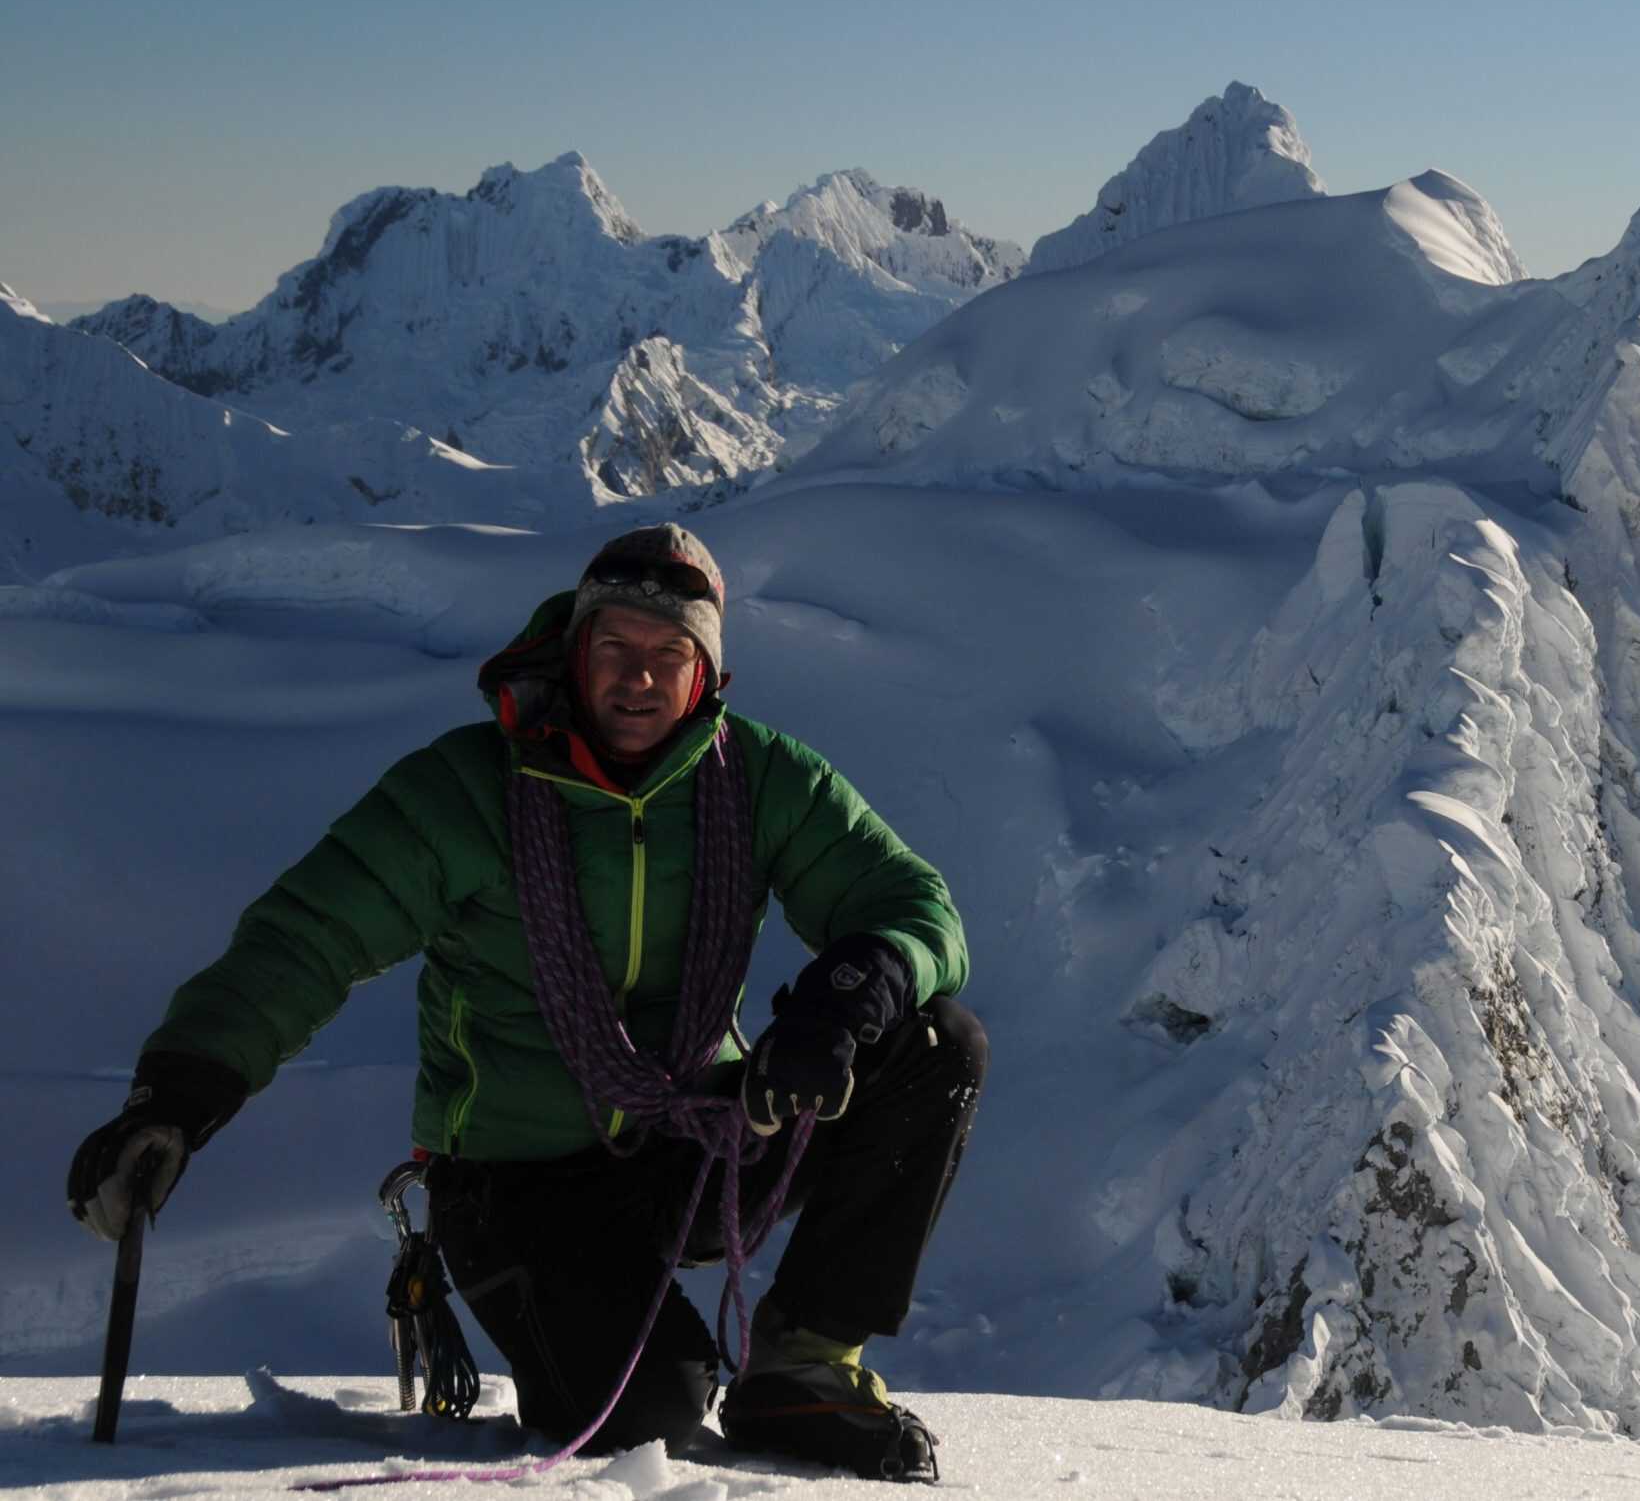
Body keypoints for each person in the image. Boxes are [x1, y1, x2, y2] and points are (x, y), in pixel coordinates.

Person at [65, 524, 984, 1481]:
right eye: (615, 649)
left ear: (707, 673)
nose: (638, 678)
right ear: (573, 651)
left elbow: (915, 910)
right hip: (521, 1188)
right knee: (650, 1420)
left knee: (934, 1041)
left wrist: (845, 999)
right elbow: (306, 943)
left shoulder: (759, 780)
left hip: (699, 1143)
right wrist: (179, 1093)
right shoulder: (465, 793)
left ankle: (804, 1368)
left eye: (670, 655)